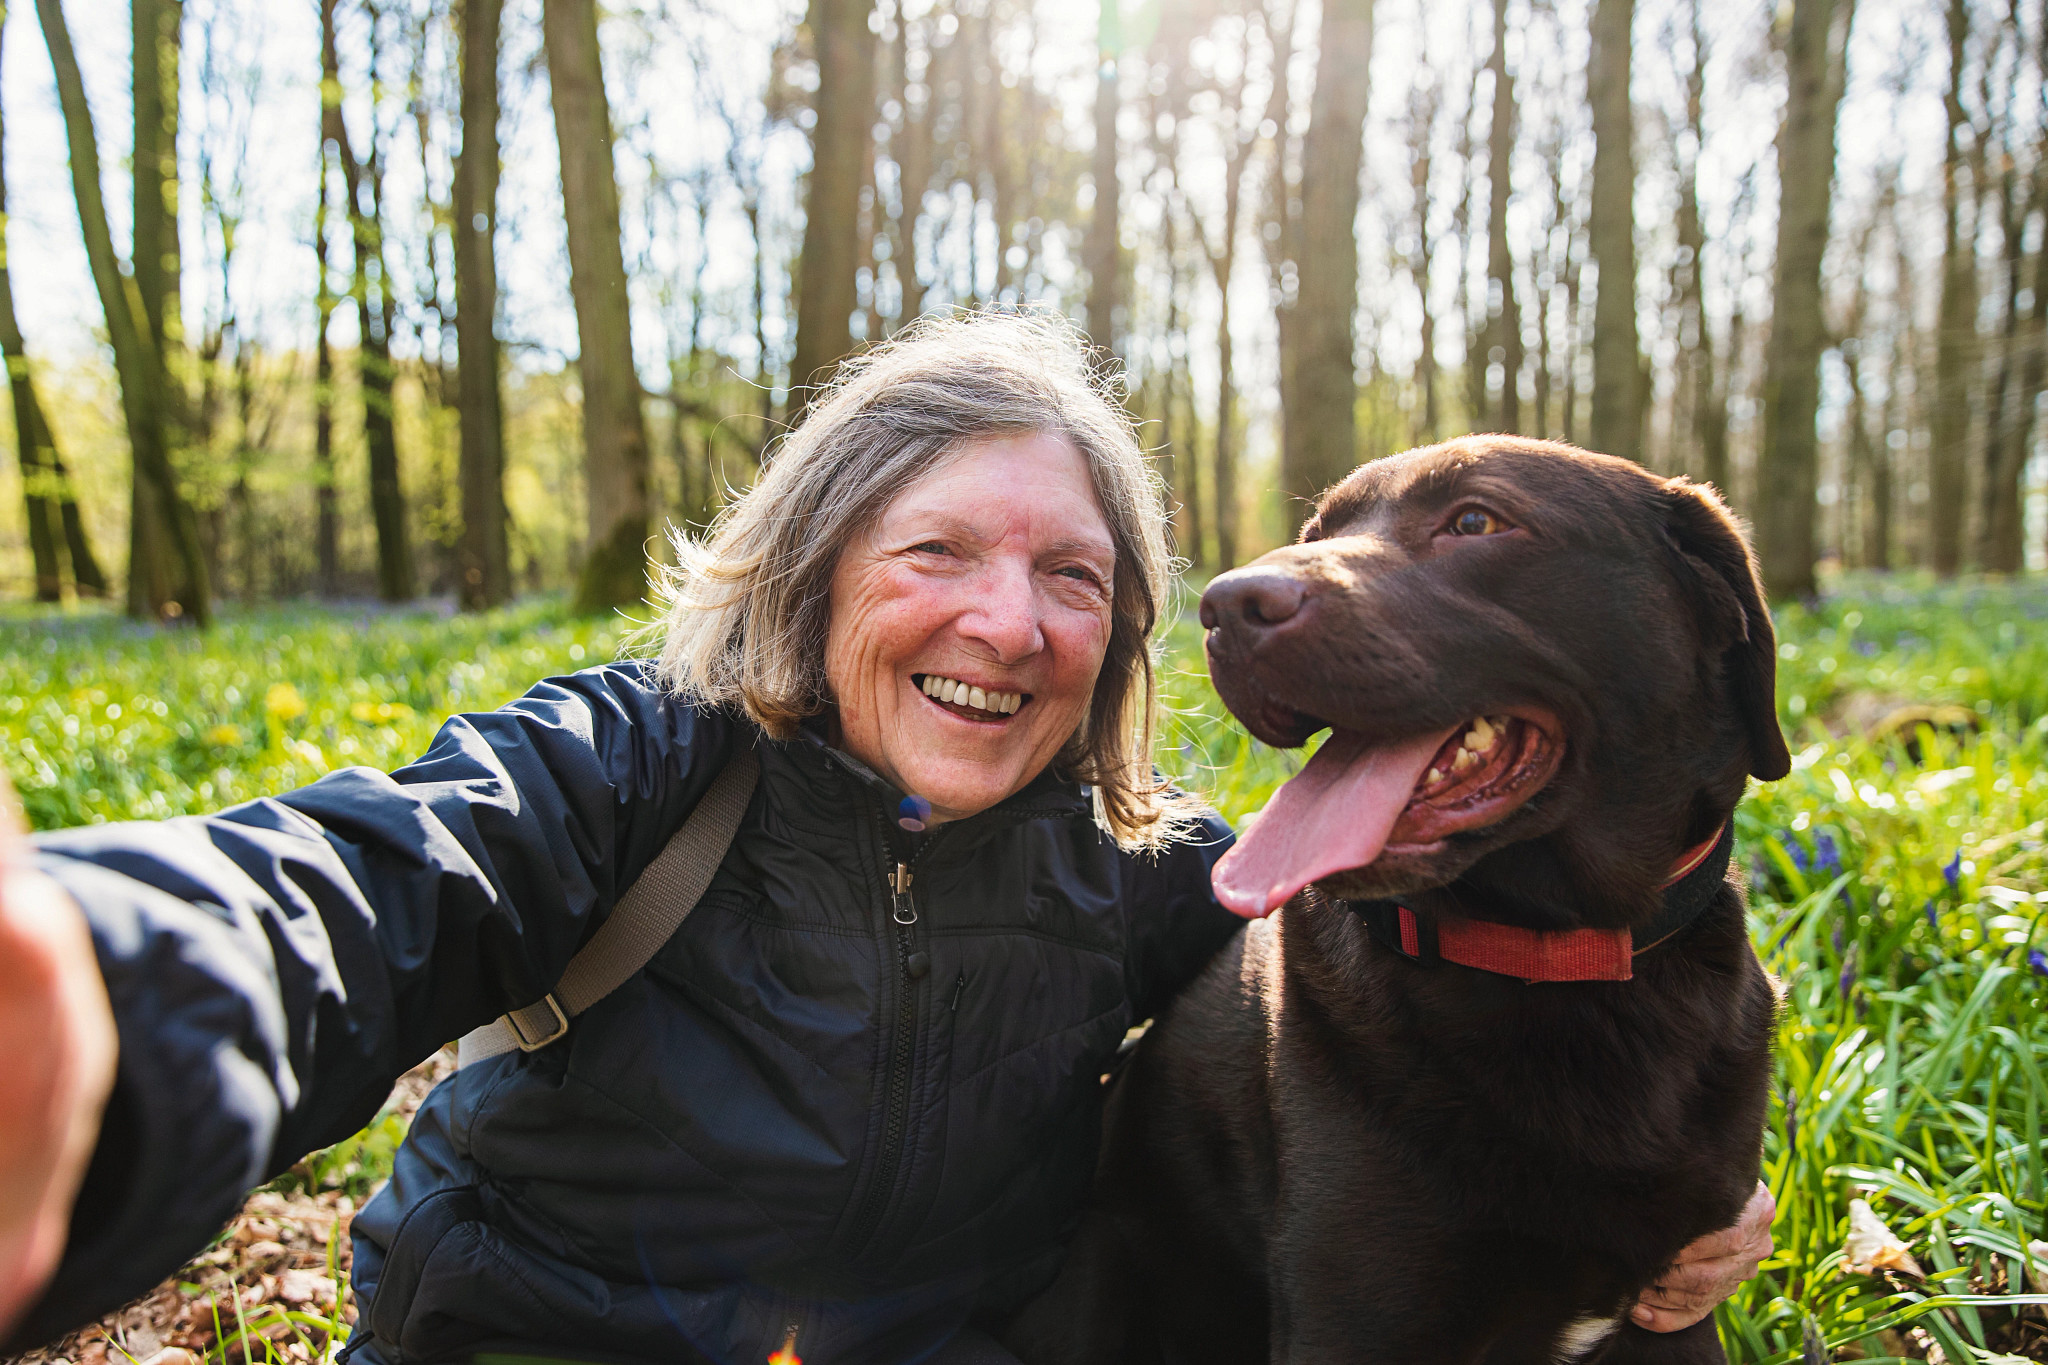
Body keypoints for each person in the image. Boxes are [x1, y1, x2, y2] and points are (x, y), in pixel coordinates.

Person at [0, 314, 1774, 1365]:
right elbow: (361, 889)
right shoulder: (628, 770)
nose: (1006, 624)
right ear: (811, 564)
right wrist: (109, 977)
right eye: (937, 553)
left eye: (1071, 577)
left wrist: (1681, 1195)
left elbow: (1447, 997)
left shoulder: (1151, 867)